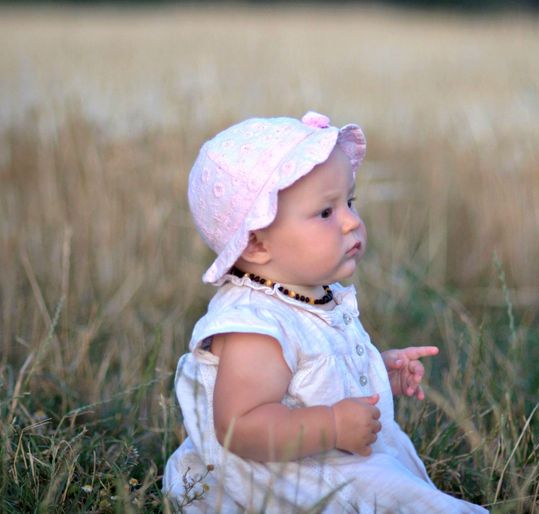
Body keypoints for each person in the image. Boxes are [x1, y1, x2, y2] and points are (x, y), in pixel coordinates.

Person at [163, 111, 488, 513]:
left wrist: (375, 372)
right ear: (257, 244)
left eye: (349, 202)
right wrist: (331, 425)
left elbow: (313, 377)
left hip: (329, 461)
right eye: (325, 213)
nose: (351, 221)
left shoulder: (312, 293)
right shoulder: (255, 327)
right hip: (286, 479)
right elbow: (240, 427)